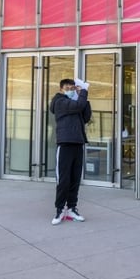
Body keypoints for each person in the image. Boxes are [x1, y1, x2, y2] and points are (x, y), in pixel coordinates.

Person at [50, 78, 91, 225]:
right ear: (61, 89)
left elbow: (86, 116)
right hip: (65, 143)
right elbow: (78, 106)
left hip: (78, 143)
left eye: (73, 88)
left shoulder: (76, 103)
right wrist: (83, 93)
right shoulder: (59, 102)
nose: (70, 90)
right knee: (63, 179)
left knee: (75, 179)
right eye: (67, 87)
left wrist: (84, 99)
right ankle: (60, 210)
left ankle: (72, 208)